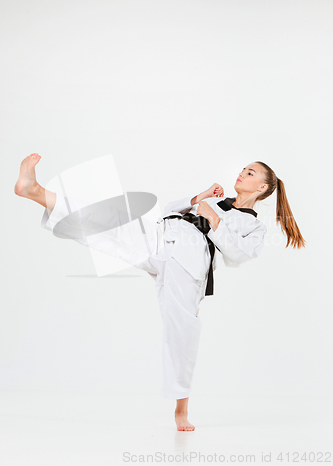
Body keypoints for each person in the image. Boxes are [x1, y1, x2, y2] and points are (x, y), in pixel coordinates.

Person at [14, 153, 305, 431]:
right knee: (108, 218)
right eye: (243, 169)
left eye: (250, 172)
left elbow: (239, 255)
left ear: (262, 187)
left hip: (189, 264)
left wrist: (214, 220)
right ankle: (34, 190)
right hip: (161, 236)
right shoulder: (217, 200)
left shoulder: (254, 225)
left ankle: (181, 410)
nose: (242, 174)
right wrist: (198, 198)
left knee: (182, 331)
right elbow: (170, 211)